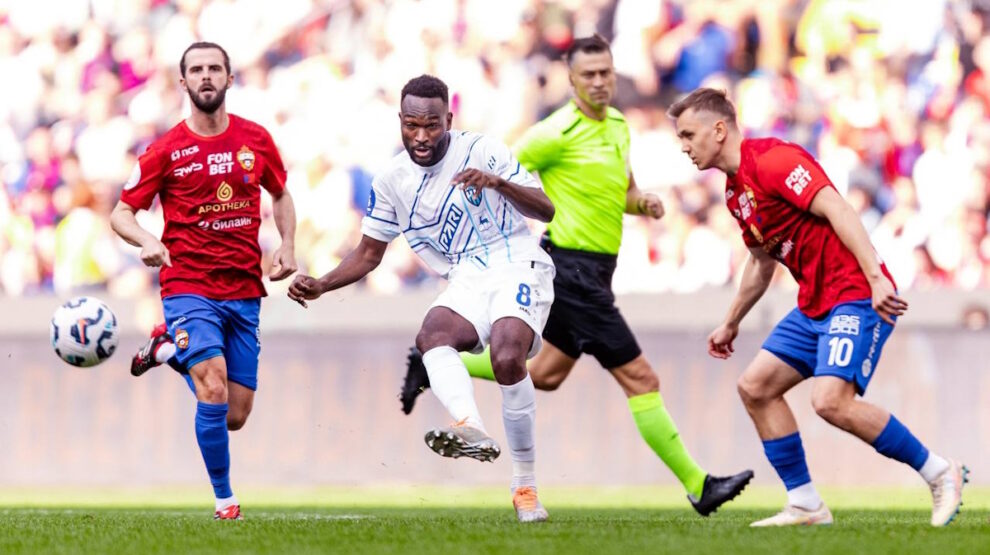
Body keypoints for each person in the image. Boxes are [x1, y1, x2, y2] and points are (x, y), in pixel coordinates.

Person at [399, 35, 752, 516]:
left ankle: (437, 363)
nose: (600, 82)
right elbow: (502, 175)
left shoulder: (619, 126)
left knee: (544, 374)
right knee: (641, 378)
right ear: (571, 80)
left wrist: (642, 203)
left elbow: (624, 192)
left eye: (606, 72)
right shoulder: (553, 133)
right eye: (589, 75)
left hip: (597, 272)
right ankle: (699, 486)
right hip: (569, 270)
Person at [668, 87, 967, 527]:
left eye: (689, 135)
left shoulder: (774, 160)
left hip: (855, 293)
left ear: (718, 130)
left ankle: (940, 472)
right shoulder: (736, 193)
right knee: (756, 387)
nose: (684, 146)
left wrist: (876, 277)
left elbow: (838, 209)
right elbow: (761, 262)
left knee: (830, 401)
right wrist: (730, 322)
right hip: (814, 304)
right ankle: (806, 504)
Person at [287, 75, 556, 523]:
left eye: (432, 125)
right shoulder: (392, 180)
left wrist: (497, 183)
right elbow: (369, 253)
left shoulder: (482, 150)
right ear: (400, 121)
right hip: (466, 274)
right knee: (432, 335)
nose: (422, 136)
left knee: (508, 355)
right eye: (412, 125)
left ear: (448, 118)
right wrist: (323, 283)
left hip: (515, 258)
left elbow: (545, 209)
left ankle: (525, 487)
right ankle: (469, 425)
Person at [110, 42, 298, 520]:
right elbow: (121, 213)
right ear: (184, 82)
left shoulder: (255, 139)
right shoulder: (165, 150)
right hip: (188, 285)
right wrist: (147, 240)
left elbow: (280, 194)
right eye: (196, 70)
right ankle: (225, 500)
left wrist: (288, 245)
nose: (206, 76)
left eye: (215, 68)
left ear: (230, 79)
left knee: (234, 414)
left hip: (244, 289)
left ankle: (168, 350)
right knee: (212, 386)